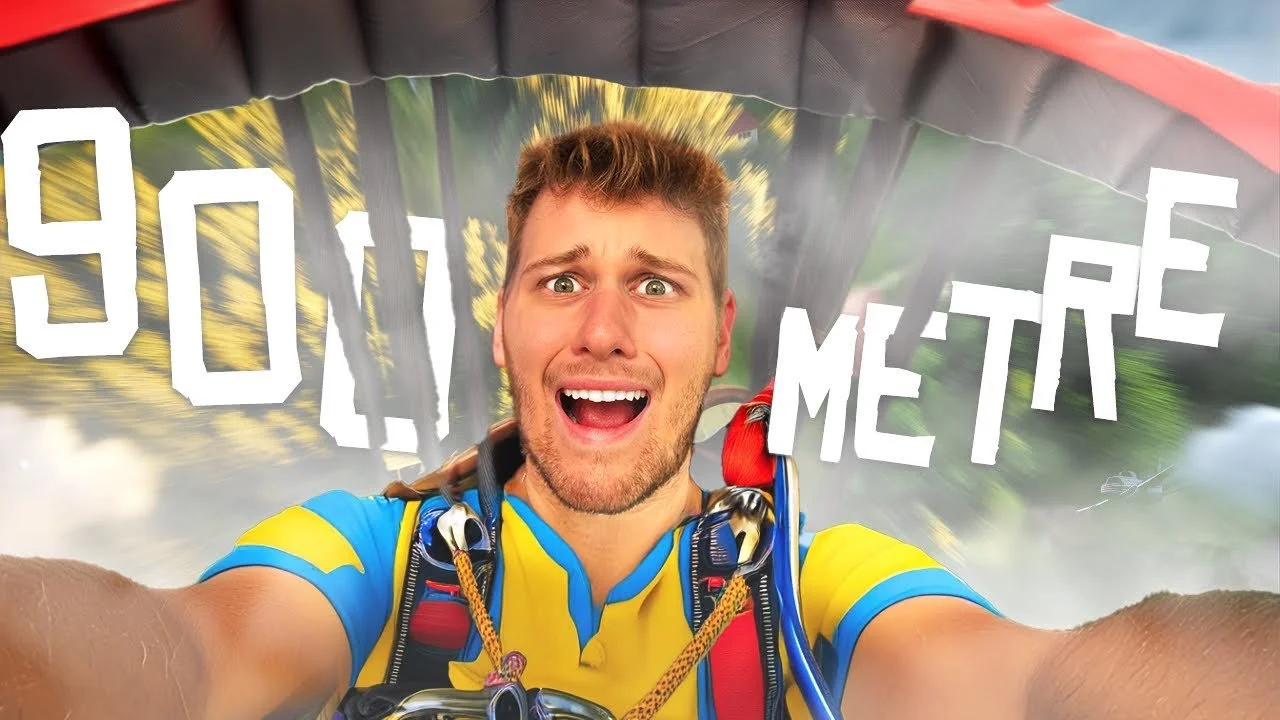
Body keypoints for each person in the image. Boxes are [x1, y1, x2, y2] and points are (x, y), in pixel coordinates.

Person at [1, 122, 1276, 720]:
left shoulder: (803, 585)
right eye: (561, 282)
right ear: (503, 327)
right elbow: (173, 652)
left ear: (717, 340)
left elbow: (1031, 681)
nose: (603, 330)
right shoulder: (384, 558)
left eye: (651, 287)